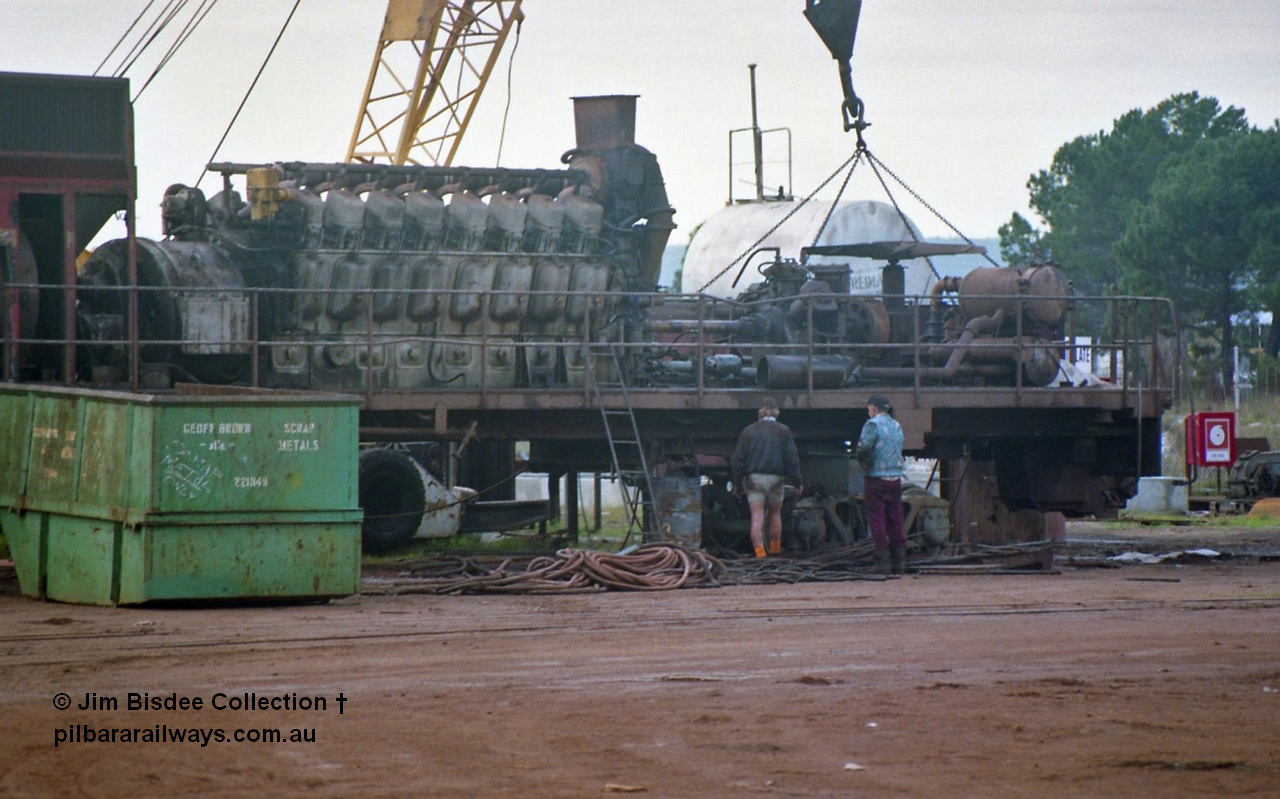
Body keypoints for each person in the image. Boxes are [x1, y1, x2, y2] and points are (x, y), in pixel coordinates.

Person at [731, 399, 801, 558]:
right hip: (776, 479)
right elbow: (792, 459)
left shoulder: (748, 431)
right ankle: (775, 549)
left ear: (760, 411)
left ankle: (760, 553)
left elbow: (738, 460)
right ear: (776, 412)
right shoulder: (784, 431)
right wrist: (797, 482)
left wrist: (737, 484)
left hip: (754, 479)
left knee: (757, 517)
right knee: (775, 514)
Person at [856, 395, 906, 575]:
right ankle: (899, 562)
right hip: (895, 478)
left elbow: (863, 448)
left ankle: (883, 562)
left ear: (875, 408)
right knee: (896, 518)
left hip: (876, 478)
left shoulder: (872, 425)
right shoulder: (896, 425)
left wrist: (862, 462)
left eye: (869, 408)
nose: (869, 412)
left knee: (877, 519)